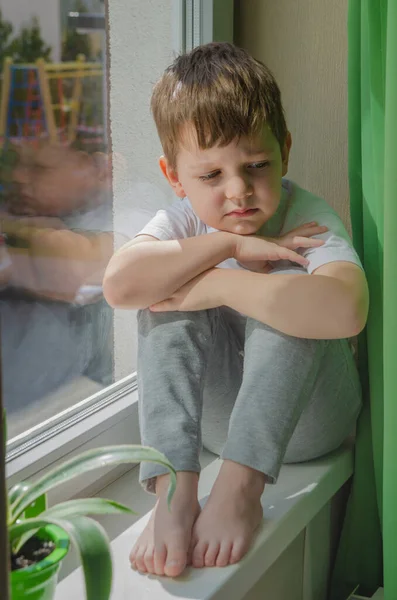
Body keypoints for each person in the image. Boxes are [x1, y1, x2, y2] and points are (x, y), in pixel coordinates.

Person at [103, 42, 368, 578]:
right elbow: (121, 286)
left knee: (295, 284)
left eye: (257, 165)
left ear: (285, 151)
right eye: (210, 177)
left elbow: (345, 312)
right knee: (160, 290)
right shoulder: (182, 221)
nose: (239, 191)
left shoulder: (306, 215)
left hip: (313, 424)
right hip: (213, 432)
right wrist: (228, 249)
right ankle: (173, 487)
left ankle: (240, 487)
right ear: (174, 176)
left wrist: (218, 287)